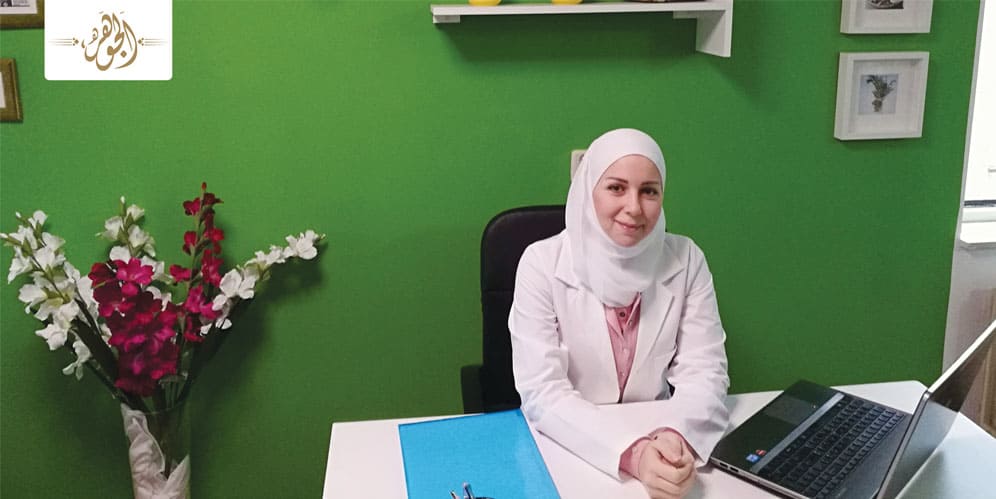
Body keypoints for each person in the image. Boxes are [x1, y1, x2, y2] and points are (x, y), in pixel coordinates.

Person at [509, 128, 730, 499]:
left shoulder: (687, 258)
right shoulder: (541, 263)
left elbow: (706, 371)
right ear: (588, 190)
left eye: (649, 191)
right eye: (616, 188)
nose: (634, 207)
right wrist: (634, 455)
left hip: (662, 442)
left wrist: (674, 438)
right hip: (569, 453)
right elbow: (543, 391)